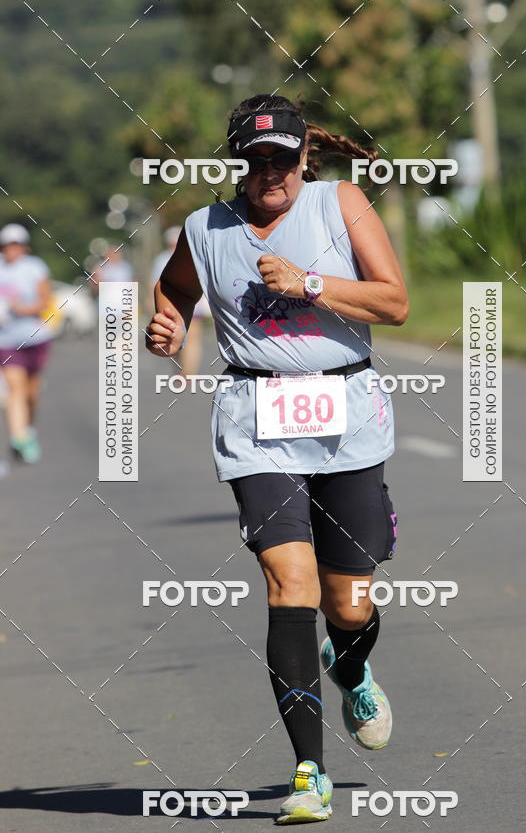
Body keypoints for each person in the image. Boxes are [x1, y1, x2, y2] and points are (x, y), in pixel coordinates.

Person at [145, 94, 409, 824]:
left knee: (348, 604)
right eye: (256, 159)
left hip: (346, 414)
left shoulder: (339, 203)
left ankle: (351, 664)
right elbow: (174, 289)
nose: (271, 173)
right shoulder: (206, 228)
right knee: (287, 583)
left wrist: (310, 283)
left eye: (283, 158)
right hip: (256, 420)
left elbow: (393, 303)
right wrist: (165, 324)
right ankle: (308, 773)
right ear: (239, 162)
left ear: (303, 156)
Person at [0, 223, 52, 463]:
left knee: (31, 392)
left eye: (16, 245)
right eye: (6, 246)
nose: (11, 250)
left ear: (24, 247)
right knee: (15, 386)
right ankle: (19, 437)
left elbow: (45, 301)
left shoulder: (35, 268)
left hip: (35, 336)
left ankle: (27, 430)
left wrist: (23, 309)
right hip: (7, 340)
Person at [148, 226, 211, 376]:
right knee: (174, 338)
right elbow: (157, 282)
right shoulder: (162, 259)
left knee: (192, 338)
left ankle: (188, 370)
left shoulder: (194, 255)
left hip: (194, 303)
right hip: (169, 305)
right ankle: (183, 367)